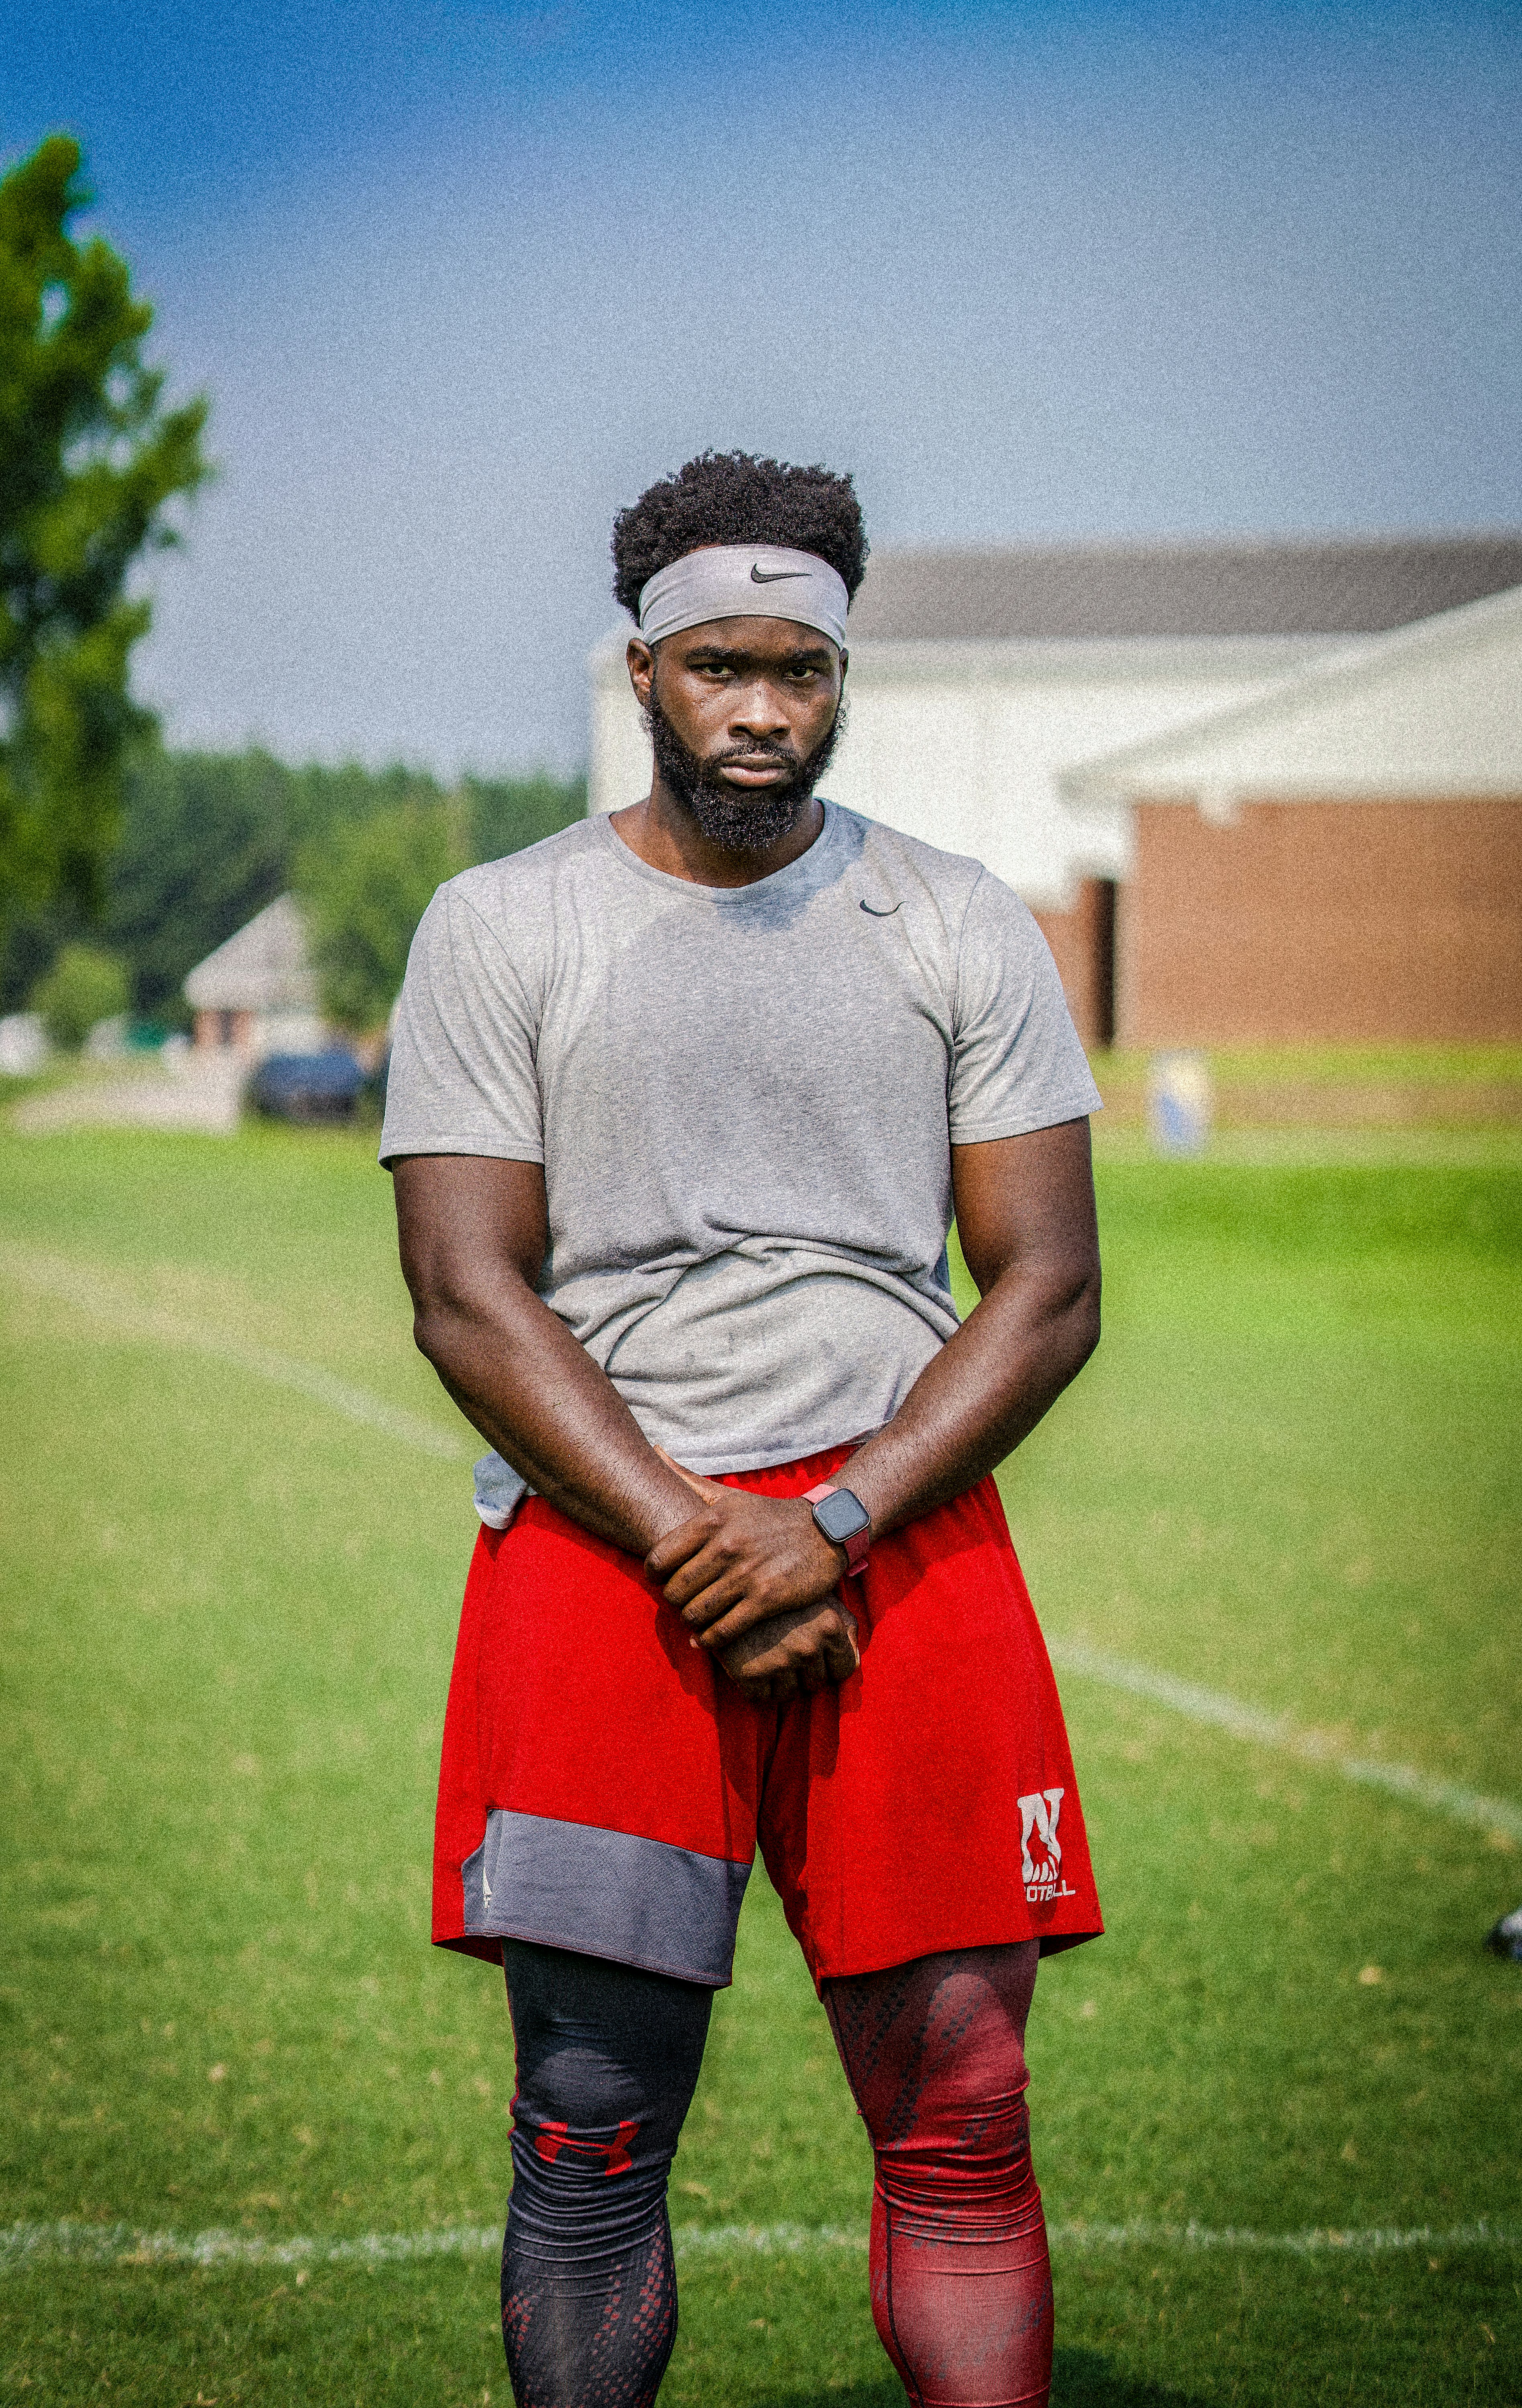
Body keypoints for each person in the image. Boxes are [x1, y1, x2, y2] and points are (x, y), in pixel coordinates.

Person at [383, 449, 1105, 2408]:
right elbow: (468, 1287)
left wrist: (842, 1519)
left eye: (801, 669)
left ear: (843, 673)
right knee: (590, 2122)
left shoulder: (959, 923)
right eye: (721, 668)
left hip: (905, 1541)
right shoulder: (501, 924)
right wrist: (704, 1534)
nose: (765, 711)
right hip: (607, 1552)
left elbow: (1044, 1283)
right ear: (643, 671)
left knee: (963, 2103)